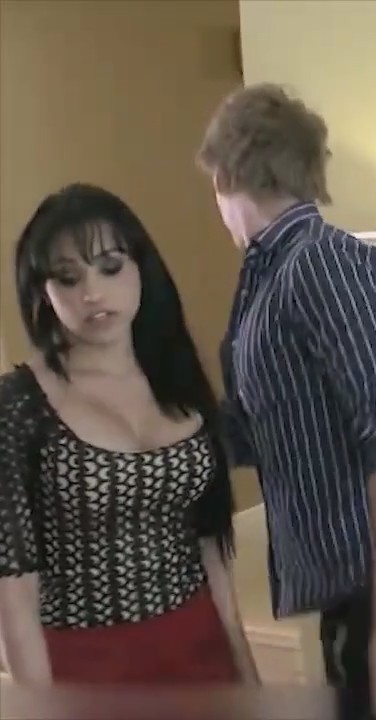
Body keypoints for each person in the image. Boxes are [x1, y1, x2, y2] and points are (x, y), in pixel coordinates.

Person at [195, 83, 376, 720]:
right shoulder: (269, 282)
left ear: (225, 173)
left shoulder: (326, 265)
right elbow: (265, 435)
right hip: (357, 603)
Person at [0, 183, 256, 684]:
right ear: (43, 292)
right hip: (86, 666)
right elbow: (14, 590)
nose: (92, 293)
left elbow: (210, 542)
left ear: (141, 268)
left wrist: (246, 671)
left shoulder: (178, 377)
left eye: (110, 267)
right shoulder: (19, 405)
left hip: (200, 645)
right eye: (67, 278)